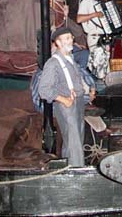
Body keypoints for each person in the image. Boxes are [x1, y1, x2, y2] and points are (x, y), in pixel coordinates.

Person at [37, 27, 95, 167]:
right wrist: (63, 100)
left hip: (78, 102)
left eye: (71, 37)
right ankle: (77, 171)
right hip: (66, 106)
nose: (71, 40)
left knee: (75, 139)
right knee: (74, 141)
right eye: (67, 38)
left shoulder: (70, 59)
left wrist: (87, 91)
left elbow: (76, 79)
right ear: (58, 42)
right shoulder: (53, 63)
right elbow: (43, 90)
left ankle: (69, 167)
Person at [76, 0, 110, 81]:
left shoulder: (93, 0)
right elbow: (79, 19)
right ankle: (99, 88)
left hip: (100, 36)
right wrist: (95, 14)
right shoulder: (85, 1)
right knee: (99, 65)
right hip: (94, 36)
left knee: (103, 64)